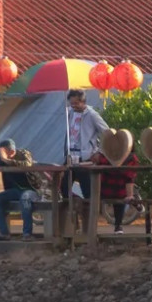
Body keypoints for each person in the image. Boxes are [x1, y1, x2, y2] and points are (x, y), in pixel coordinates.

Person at [63, 89, 109, 221]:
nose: (74, 106)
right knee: (64, 188)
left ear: (83, 102)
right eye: (71, 103)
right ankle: (75, 211)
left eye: (76, 103)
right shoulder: (69, 114)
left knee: (87, 190)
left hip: (86, 157)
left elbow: (107, 133)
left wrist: (99, 152)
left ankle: (89, 222)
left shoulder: (92, 115)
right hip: (71, 157)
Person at [0, 138, 37, 240]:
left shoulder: (24, 154)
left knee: (25, 199)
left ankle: (27, 234)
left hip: (30, 189)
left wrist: (6, 160)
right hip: (14, 191)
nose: (1, 154)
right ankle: (4, 233)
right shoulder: (1, 159)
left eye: (3, 151)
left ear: (12, 151)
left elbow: (26, 164)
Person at [91, 145, 139, 232]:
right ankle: (118, 225)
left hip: (115, 187)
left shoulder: (129, 158)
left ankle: (118, 225)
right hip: (108, 187)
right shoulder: (129, 157)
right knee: (121, 197)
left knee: (121, 199)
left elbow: (129, 176)